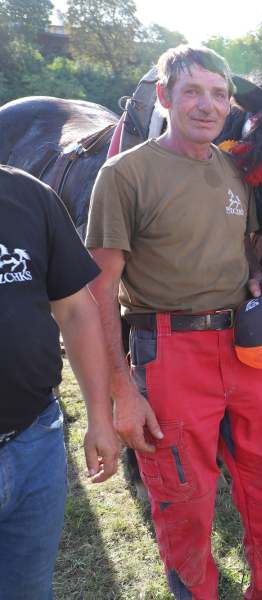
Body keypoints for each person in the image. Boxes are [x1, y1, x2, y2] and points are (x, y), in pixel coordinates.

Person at [85, 45, 262, 599]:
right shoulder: (125, 175)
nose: (209, 105)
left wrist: (257, 277)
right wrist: (122, 392)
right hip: (170, 351)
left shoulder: (235, 172)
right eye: (193, 92)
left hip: (249, 349)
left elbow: (247, 245)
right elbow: (99, 290)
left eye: (219, 94)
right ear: (164, 96)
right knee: (186, 500)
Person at [0, 165, 119, 599]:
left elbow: (75, 311)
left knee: (29, 590)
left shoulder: (29, 196)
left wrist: (99, 419)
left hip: (34, 442)